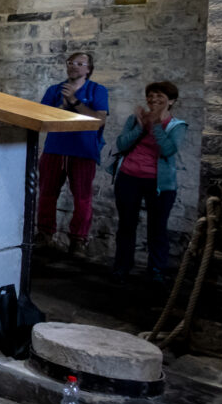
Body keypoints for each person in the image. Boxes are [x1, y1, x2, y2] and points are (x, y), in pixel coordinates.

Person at [110, 82, 188, 282]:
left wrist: (155, 126)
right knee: (126, 225)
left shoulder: (177, 126)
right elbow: (121, 143)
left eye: (160, 97)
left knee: (157, 227)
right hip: (129, 177)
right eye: (150, 96)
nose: (153, 100)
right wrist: (141, 126)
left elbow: (168, 150)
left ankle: (156, 270)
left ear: (171, 101)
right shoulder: (134, 120)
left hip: (159, 184)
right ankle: (122, 266)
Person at [35, 51, 109, 254]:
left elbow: (98, 120)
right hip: (55, 148)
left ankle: (78, 240)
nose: (74, 66)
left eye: (80, 63)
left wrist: (75, 102)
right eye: (70, 62)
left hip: (83, 151)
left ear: (88, 69)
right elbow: (41, 117)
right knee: (47, 194)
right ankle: (45, 234)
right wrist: (62, 105)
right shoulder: (54, 90)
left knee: (82, 197)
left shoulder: (97, 90)